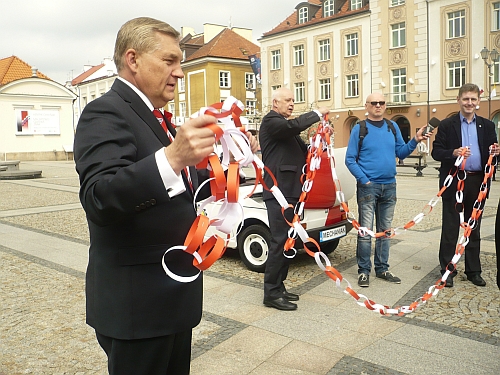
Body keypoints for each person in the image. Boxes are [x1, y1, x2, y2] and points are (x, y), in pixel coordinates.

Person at [74, 17, 257, 374]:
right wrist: (173, 156)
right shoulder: (105, 111)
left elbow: (184, 180)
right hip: (137, 309)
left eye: (181, 63)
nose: (180, 73)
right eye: (169, 61)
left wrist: (227, 158)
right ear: (133, 59)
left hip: (170, 300)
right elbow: (99, 197)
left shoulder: (156, 117)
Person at [345, 93, 431, 287]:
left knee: (385, 231)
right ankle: (364, 271)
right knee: (365, 232)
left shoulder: (392, 127)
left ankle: (382, 268)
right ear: (367, 106)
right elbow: (350, 159)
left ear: (385, 105)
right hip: (368, 188)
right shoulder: (360, 128)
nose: (378, 106)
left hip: (389, 186)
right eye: (373, 103)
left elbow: (401, 152)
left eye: (381, 103)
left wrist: (415, 140)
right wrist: (364, 180)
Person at [259, 87, 329, 311]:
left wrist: (319, 143)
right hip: (279, 193)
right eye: (287, 100)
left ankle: (279, 287)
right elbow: (293, 125)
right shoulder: (272, 122)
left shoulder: (287, 130)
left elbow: (305, 149)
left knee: (289, 241)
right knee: (279, 241)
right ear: (274, 103)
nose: (291, 103)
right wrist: (316, 114)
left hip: (293, 192)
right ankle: (271, 293)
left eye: (293, 100)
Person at [432, 83, 499, 288]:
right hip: (454, 182)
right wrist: (453, 153)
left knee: (474, 227)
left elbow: (493, 152)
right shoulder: (447, 125)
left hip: (478, 181)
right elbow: (436, 152)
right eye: (466, 99)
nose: (469, 103)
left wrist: (496, 152)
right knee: (451, 227)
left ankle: (473, 270)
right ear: (459, 100)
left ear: (478, 102)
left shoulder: (487, 125)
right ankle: (448, 270)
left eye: (473, 99)